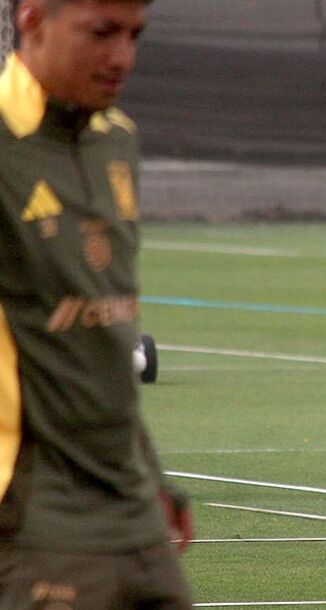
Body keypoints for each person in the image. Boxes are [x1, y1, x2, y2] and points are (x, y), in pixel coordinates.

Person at [0, 1, 193, 609]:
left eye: (135, 35)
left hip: (136, 515)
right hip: (37, 525)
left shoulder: (118, 142)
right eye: (101, 33)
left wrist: (151, 474)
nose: (123, 58)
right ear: (33, 21)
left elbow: (103, 341)